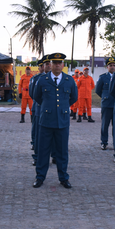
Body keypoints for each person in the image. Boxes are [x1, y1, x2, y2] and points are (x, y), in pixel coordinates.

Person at [33, 53, 78, 188]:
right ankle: (40, 177)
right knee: (43, 151)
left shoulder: (69, 80)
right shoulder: (42, 80)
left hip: (62, 121)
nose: (57, 65)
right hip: (46, 120)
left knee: (62, 151)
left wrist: (63, 108)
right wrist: (49, 107)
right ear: (50, 65)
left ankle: (63, 177)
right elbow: (37, 97)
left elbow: (73, 98)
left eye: (60, 63)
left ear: (63, 65)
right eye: (55, 63)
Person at [95, 57, 115, 150]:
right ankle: (104, 142)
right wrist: (105, 97)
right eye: (110, 65)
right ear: (107, 67)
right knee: (105, 124)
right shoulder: (103, 77)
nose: (112, 67)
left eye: (114, 65)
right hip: (107, 104)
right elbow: (98, 90)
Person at [29, 58, 44, 165]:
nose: (44, 67)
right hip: (38, 108)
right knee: (37, 131)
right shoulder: (35, 78)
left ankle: (54, 155)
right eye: (42, 65)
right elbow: (32, 93)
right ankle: (35, 146)